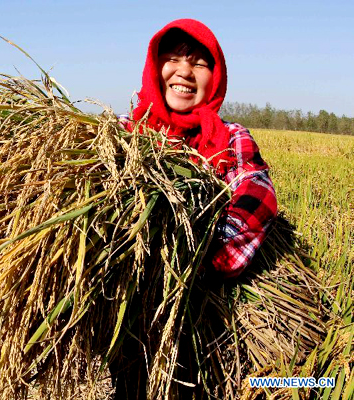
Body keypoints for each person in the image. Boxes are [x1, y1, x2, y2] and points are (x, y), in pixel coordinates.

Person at [111, 19, 278, 399]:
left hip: (203, 317)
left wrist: (197, 258)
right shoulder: (125, 133)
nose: (184, 70)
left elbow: (258, 192)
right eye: (171, 58)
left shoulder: (230, 137)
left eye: (200, 63)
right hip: (132, 318)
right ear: (155, 68)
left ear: (215, 76)